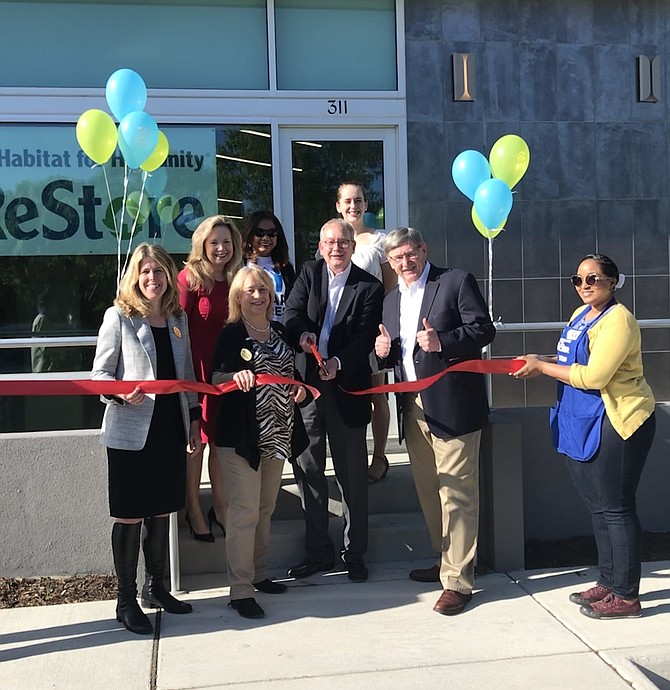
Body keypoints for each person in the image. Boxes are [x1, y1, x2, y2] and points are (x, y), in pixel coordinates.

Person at [513, 254, 656, 619]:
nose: (585, 286)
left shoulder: (619, 321)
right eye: (578, 280)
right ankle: (609, 581)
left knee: (617, 507)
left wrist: (542, 368)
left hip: (617, 420)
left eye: (593, 279)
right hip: (581, 419)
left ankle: (626, 596)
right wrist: (539, 358)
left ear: (612, 282)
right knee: (598, 506)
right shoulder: (580, 315)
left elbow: (595, 377)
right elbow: (571, 359)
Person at [375, 227, 495, 616]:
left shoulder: (455, 281)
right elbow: (398, 356)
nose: (405, 263)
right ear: (389, 263)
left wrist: (443, 341)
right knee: (429, 491)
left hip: (454, 407)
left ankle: (459, 581)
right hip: (413, 408)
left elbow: (483, 329)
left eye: (410, 254)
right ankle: (445, 561)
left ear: (424, 250)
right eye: (397, 258)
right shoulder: (391, 300)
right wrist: (382, 353)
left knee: (457, 494)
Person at [91, 243, 202, 635]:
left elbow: (185, 371)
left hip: (169, 428)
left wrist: (193, 418)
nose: (153, 278)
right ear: (135, 277)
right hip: (130, 432)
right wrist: (120, 392)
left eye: (159, 271)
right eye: (145, 272)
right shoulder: (118, 316)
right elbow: (100, 376)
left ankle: (155, 588)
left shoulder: (177, 318)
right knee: (130, 513)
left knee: (162, 510)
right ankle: (125, 600)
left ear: (169, 276)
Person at [284, 218, 384, 582]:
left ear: (353, 246)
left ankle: (354, 552)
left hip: (345, 388)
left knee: (352, 476)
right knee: (308, 472)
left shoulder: (369, 286)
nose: (336, 248)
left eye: (343, 241)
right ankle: (318, 552)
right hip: (307, 389)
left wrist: (338, 362)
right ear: (321, 246)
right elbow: (291, 314)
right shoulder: (309, 274)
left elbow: (363, 337)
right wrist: (303, 334)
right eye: (330, 242)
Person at [211, 266, 308, 619]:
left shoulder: (280, 332)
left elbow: (294, 377)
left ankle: (260, 573)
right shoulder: (232, 334)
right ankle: (240, 590)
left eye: (264, 290)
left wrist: (299, 389)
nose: (258, 295)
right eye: (251, 290)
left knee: (265, 508)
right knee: (245, 511)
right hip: (240, 438)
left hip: (277, 433)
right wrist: (234, 376)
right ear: (238, 296)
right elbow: (216, 377)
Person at [178, 215, 243, 542]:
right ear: (202, 244)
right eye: (214, 242)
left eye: (226, 242)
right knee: (195, 445)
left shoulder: (237, 279)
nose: (221, 248)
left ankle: (221, 506)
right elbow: (176, 330)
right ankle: (193, 508)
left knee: (220, 442)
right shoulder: (189, 279)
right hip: (196, 373)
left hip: (228, 374)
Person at [335, 182, 397, 484]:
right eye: (347, 201)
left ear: (365, 204)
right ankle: (350, 456)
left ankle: (380, 455)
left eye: (358, 200)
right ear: (338, 205)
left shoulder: (380, 240)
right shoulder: (334, 238)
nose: (353, 206)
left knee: (376, 394)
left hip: (371, 330)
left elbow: (390, 285)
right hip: (340, 333)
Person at [242, 211, 296, 321]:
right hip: (250, 330)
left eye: (271, 233)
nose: (266, 238)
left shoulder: (286, 267)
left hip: (281, 331)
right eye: (260, 233)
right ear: (250, 235)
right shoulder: (241, 264)